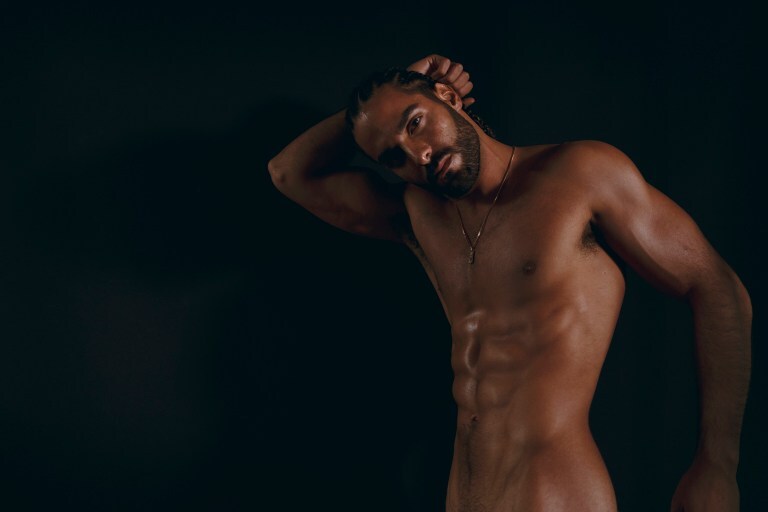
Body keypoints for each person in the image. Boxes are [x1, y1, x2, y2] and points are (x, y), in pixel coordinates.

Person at [267, 54, 751, 512]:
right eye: (394, 156)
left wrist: (717, 464)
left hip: (552, 490)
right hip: (464, 493)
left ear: (448, 96)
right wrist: (377, 108)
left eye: (415, 123)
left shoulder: (579, 175)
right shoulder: (419, 216)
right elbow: (288, 174)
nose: (419, 153)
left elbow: (717, 288)